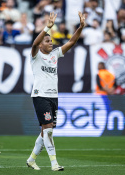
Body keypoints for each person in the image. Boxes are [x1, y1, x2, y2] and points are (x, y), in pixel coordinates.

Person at [26, 12, 85, 171]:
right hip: (40, 95)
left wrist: (80, 28)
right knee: (49, 130)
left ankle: (31, 160)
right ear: (41, 45)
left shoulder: (55, 55)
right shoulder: (35, 56)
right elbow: (33, 44)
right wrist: (47, 28)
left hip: (54, 96)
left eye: (51, 40)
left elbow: (72, 41)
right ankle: (54, 163)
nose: (50, 42)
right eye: (47, 40)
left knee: (46, 131)